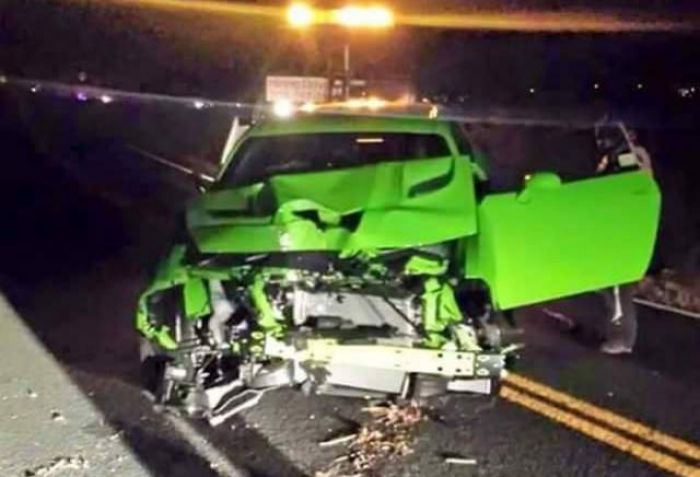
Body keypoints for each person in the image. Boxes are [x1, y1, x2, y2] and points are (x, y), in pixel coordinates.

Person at [594, 123, 653, 354]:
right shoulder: (615, 158)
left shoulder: (632, 156)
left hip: (625, 231)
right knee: (609, 285)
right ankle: (617, 333)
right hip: (616, 229)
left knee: (618, 287)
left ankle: (622, 339)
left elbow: (628, 185)